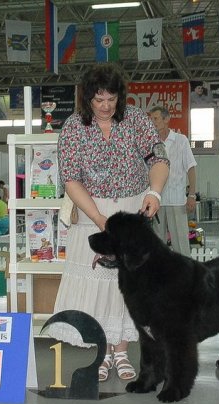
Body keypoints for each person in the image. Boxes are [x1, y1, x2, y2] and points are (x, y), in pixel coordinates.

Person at [47, 63, 169, 383]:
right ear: (87, 99)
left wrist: (154, 192)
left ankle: (122, 350)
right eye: (98, 100)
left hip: (130, 213)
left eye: (111, 98)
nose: (105, 106)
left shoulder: (137, 120)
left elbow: (158, 158)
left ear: (120, 96)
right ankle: (101, 352)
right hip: (91, 212)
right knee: (96, 284)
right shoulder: (74, 127)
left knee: (125, 285)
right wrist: (100, 219)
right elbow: (71, 179)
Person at [148, 105, 196, 256]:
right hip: (157, 201)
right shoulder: (150, 143)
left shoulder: (181, 141)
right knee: (157, 246)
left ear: (166, 119)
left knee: (181, 245)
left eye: (155, 118)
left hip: (177, 201)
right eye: (151, 119)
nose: (153, 122)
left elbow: (191, 168)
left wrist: (192, 195)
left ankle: (187, 277)